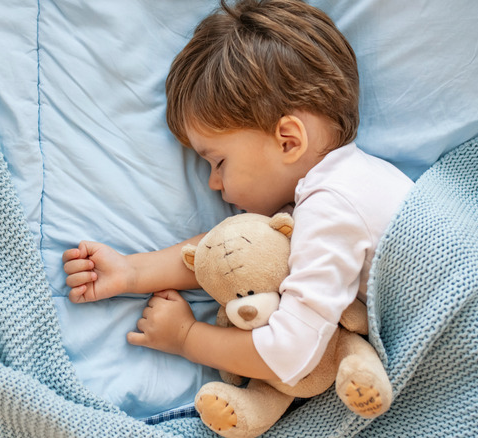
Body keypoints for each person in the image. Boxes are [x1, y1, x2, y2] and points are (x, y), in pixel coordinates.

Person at [62, 0, 413, 386]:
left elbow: (291, 354)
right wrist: (131, 272)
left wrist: (186, 337)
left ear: (287, 141)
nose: (214, 183)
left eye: (218, 162)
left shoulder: (332, 207)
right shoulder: (348, 183)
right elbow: (235, 251)